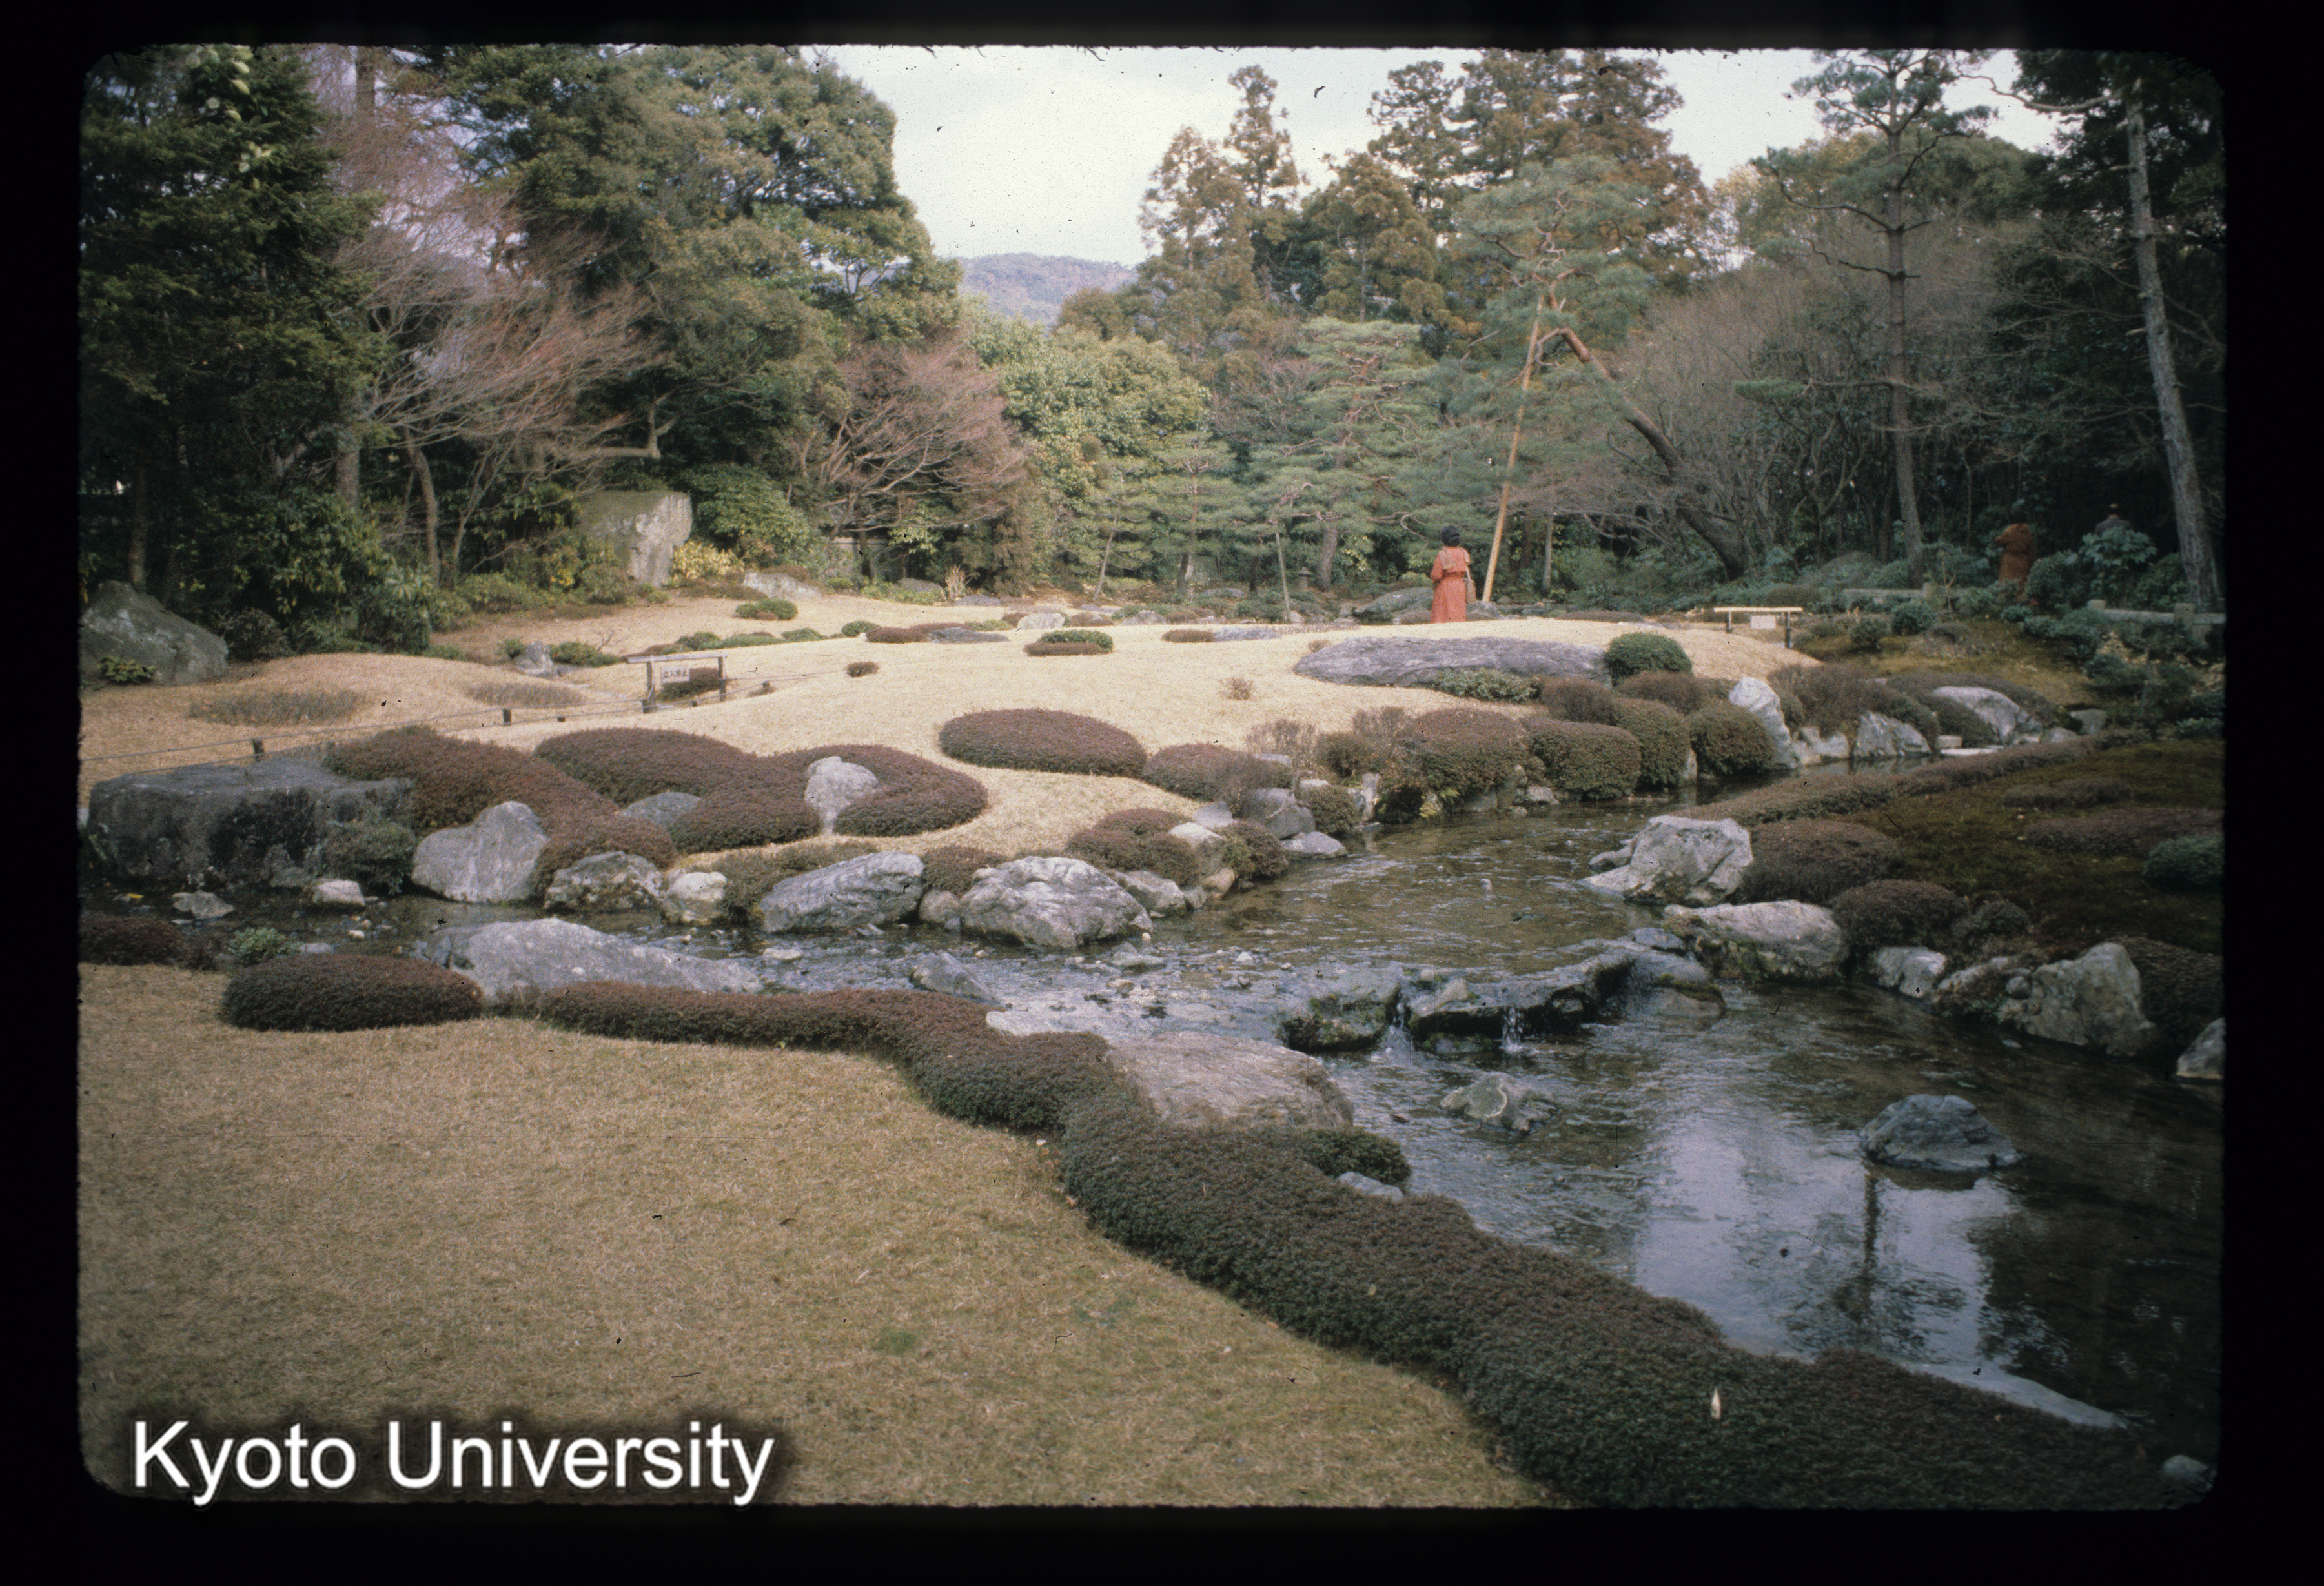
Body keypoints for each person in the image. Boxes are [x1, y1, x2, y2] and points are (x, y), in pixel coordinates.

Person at [1429, 527, 1473, 623]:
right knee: (1458, 613)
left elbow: (1437, 575)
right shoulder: (1463, 552)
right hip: (1460, 585)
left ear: (1444, 539)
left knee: (1443, 615)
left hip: (1446, 586)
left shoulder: (1443, 554)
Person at [1993, 512, 2035, 598]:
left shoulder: (2010, 530)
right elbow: (2031, 545)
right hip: (2023, 559)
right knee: (2022, 582)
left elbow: (1999, 541)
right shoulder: (2027, 531)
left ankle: (2005, 600)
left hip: (2010, 559)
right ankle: (2021, 600)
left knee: (2007, 581)